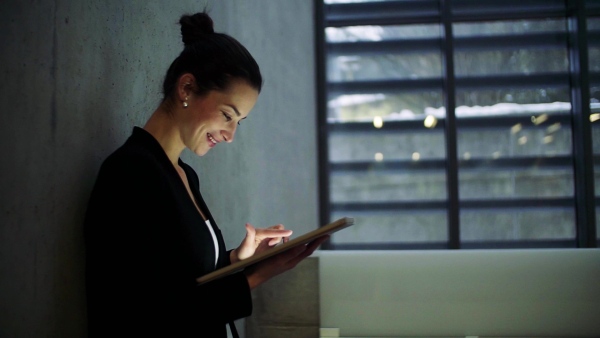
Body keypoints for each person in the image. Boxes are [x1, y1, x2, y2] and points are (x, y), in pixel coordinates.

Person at [83, 10, 328, 338]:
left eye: (237, 122)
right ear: (186, 88)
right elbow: (152, 310)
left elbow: (185, 276)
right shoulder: (131, 173)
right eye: (227, 114)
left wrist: (240, 259)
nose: (230, 135)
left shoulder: (183, 176)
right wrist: (254, 277)